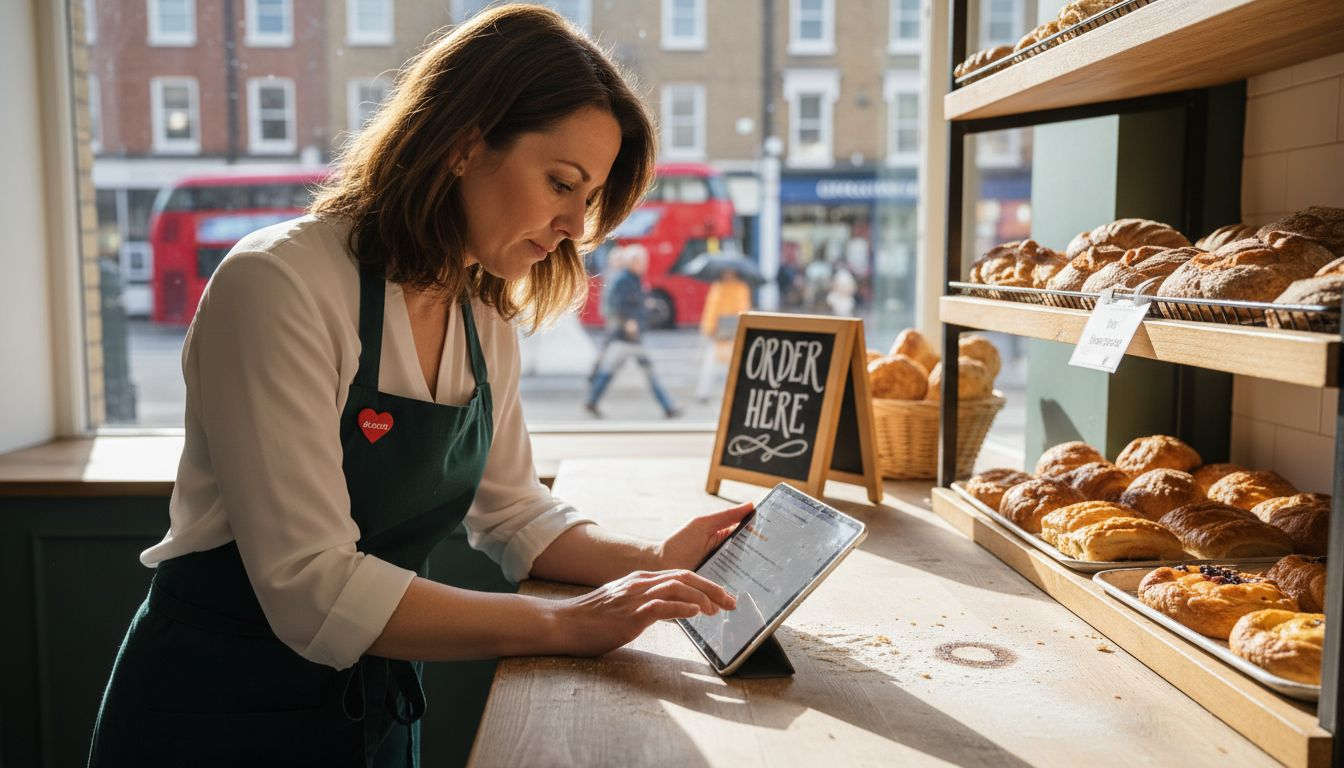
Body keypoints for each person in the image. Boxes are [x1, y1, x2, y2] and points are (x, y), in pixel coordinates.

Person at [88, 6, 747, 766]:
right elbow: (311, 584)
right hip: (214, 714)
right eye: (562, 183)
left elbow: (516, 511)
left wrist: (655, 557)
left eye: (589, 198)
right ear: (465, 145)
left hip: (374, 713)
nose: (576, 223)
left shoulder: (482, 307)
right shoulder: (277, 285)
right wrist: (566, 625)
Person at [583, 243, 683, 418]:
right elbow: (615, 305)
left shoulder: (634, 279)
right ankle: (667, 407)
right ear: (632, 262)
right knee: (640, 372)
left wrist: (646, 305)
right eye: (641, 261)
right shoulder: (624, 279)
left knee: (612, 371)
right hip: (625, 337)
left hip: (629, 337)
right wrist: (628, 321)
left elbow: (632, 302)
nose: (644, 264)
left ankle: (592, 401)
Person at [694, 267, 752, 402]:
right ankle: (703, 392)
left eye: (730, 272)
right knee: (710, 363)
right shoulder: (717, 287)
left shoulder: (741, 288)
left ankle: (734, 393)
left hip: (733, 330)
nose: (728, 275)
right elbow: (711, 308)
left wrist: (741, 325)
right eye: (725, 272)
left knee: (734, 365)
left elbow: (743, 308)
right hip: (716, 332)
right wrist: (708, 328)